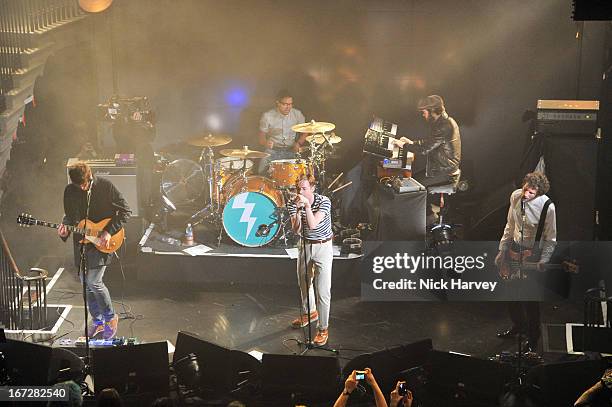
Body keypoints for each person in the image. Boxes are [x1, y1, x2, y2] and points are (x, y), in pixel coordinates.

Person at [59, 162, 131, 340]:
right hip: (83, 242)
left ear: (90, 176)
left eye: (85, 184)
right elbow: (70, 216)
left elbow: (125, 211)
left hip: (103, 241)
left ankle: (110, 317)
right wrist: (65, 229)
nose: (83, 188)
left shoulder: (105, 186)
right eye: (79, 186)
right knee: (86, 284)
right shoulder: (70, 191)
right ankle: (97, 321)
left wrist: (108, 232)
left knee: (94, 282)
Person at [494, 171, 556, 352]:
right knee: (511, 293)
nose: (526, 194)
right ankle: (518, 326)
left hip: (532, 253)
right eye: (525, 189)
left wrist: (544, 259)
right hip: (514, 248)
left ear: (539, 193)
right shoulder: (515, 196)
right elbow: (509, 225)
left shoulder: (548, 207)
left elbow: (551, 238)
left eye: (531, 192)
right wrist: (502, 250)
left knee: (530, 299)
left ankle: (533, 336)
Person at [394, 95, 461, 221]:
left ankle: (425, 219)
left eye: (424, 112)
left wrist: (405, 145)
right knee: (412, 179)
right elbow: (429, 143)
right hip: (443, 167)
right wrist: (410, 143)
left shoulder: (444, 126)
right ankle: (428, 215)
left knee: (412, 188)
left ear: (432, 111)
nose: (423, 116)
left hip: (446, 171)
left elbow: (425, 149)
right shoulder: (443, 122)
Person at [286, 174, 333, 346]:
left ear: (313, 188)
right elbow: (297, 230)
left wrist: (306, 206)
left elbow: (313, 225)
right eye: (299, 189)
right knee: (304, 282)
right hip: (305, 245)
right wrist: (298, 210)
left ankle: (323, 328)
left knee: (323, 290)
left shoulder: (324, 201)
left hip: (323, 246)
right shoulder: (292, 203)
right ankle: (310, 313)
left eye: (304, 188)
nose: (301, 192)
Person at [257, 89, 307, 174]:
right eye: (285, 104)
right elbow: (261, 137)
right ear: (278, 103)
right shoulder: (267, 116)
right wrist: (265, 142)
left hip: (291, 150)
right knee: (261, 172)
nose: (288, 107)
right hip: (273, 151)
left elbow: (305, 131)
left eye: (290, 104)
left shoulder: (297, 114)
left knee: (299, 175)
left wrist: (298, 143)